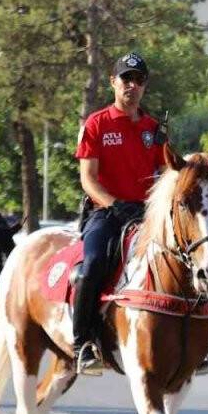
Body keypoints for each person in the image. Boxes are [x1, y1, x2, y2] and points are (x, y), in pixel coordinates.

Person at [73, 52, 167, 375]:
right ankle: (82, 342)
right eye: (126, 78)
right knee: (94, 262)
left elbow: (168, 174)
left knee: (181, 259)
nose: (132, 85)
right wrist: (114, 204)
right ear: (114, 82)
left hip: (146, 215)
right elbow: (88, 179)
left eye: (139, 80)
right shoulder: (96, 124)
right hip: (107, 212)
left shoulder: (155, 129)